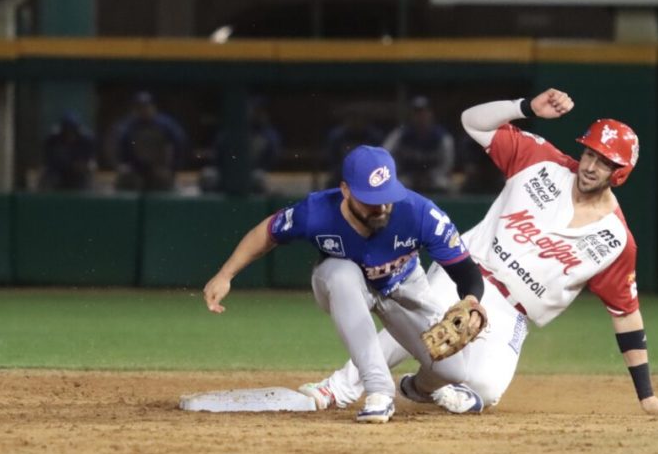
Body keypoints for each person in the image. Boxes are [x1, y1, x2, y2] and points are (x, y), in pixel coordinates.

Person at [299, 89, 658, 416]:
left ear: (621, 172)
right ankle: (339, 387)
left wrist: (646, 395)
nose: (592, 166)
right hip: (468, 273)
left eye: (605, 161)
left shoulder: (615, 240)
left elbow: (626, 315)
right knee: (421, 324)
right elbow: (472, 122)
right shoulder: (542, 162)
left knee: (482, 392)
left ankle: (420, 387)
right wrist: (526, 106)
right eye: (590, 154)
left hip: (514, 313)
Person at [202, 145, 488, 424]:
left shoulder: (420, 213)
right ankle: (379, 391)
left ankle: (420, 389)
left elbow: (465, 272)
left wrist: (473, 302)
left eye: (386, 196)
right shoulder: (316, 212)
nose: (381, 207)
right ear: (346, 190)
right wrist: (225, 274)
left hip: (403, 287)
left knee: (453, 370)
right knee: (341, 273)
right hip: (342, 284)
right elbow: (266, 233)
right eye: (370, 199)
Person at [111, 91, 188, 192]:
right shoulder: (130, 126)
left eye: (146, 106)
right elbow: (122, 149)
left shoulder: (166, 125)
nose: (143, 110)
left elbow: (179, 147)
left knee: (164, 182)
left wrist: (172, 169)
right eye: (139, 107)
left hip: (160, 169)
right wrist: (123, 165)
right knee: (124, 178)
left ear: (153, 107)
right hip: (137, 169)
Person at [383, 95, 455, 194]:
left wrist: (431, 176)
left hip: (433, 179)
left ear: (431, 114)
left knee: (446, 185)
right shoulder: (400, 134)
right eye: (416, 113)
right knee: (392, 184)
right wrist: (397, 172)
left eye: (424, 112)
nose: (420, 116)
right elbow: (384, 156)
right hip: (406, 177)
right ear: (411, 115)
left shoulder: (442, 137)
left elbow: (447, 164)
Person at [322, 104, 385, 188]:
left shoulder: (373, 138)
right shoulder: (338, 137)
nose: (355, 122)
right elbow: (333, 161)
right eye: (352, 119)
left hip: (368, 176)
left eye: (358, 119)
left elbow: (379, 161)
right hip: (342, 176)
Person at [38, 112, 96, 190]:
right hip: (58, 172)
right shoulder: (53, 140)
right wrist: (65, 165)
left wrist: (81, 165)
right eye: (67, 130)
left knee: (91, 168)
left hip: (78, 175)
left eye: (72, 130)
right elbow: (48, 161)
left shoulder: (86, 140)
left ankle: (89, 198)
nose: (69, 133)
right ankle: (43, 200)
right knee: (46, 174)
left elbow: (88, 161)